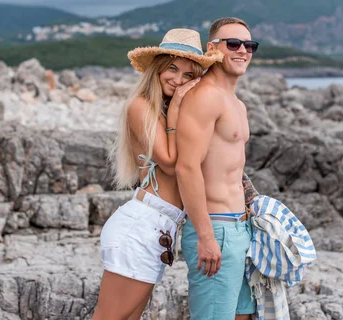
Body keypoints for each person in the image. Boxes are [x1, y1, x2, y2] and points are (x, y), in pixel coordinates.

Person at [93, 28, 222, 320]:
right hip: (140, 226)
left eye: (188, 75)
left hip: (161, 229)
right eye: (172, 69)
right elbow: (169, 162)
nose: (178, 80)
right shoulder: (140, 107)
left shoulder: (167, 114)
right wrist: (178, 104)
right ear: (157, 69)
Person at [176, 17, 260, 319]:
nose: (243, 50)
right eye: (233, 44)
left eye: (249, 45)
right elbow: (186, 167)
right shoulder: (205, 97)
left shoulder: (236, 104)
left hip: (241, 227)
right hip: (216, 228)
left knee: (243, 315)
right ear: (213, 48)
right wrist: (206, 236)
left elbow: (234, 169)